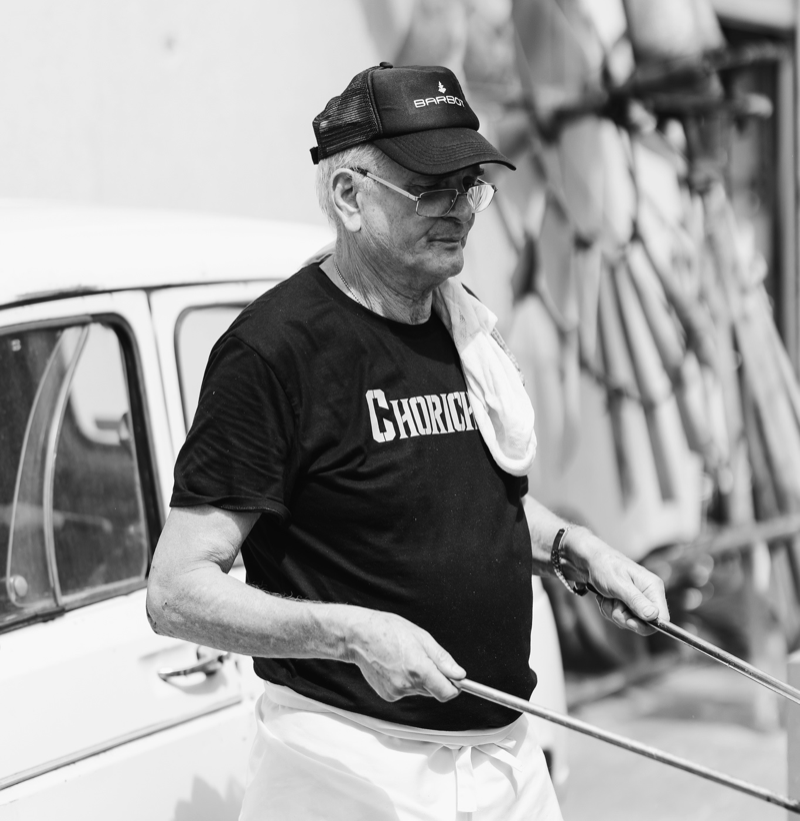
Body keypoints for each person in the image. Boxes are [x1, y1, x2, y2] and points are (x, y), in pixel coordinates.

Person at [146, 63, 669, 820]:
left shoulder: (464, 325)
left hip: (505, 760)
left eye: (468, 186)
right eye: (430, 189)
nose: (458, 209)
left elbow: (476, 507)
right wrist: (351, 633)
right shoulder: (273, 352)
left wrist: (573, 548)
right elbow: (176, 591)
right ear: (348, 196)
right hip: (346, 769)